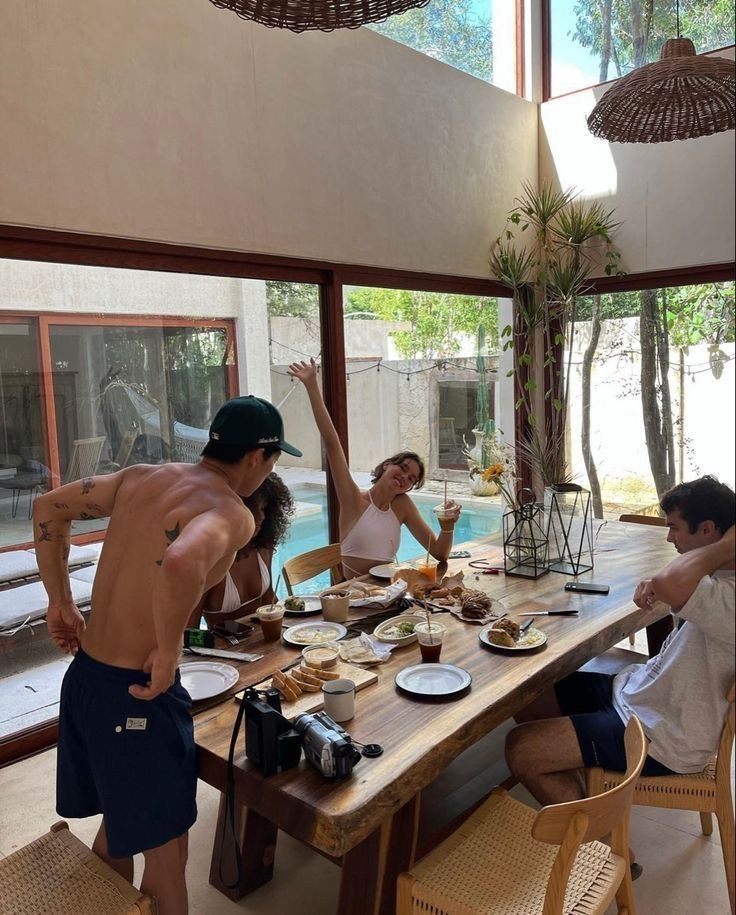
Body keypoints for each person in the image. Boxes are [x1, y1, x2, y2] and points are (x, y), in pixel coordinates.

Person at [34, 396, 301, 915]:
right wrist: (169, 646)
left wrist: (60, 602)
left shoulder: (141, 477)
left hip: (86, 679)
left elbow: (48, 508)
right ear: (258, 458)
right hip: (136, 695)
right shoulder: (233, 513)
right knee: (167, 857)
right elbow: (180, 561)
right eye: (273, 461)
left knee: (120, 828)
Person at [505, 475, 735, 866]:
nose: (669, 540)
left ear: (710, 530)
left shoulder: (728, 597)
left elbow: (673, 581)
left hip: (663, 735)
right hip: (640, 695)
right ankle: (587, 796)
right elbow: (673, 582)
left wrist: (728, 543)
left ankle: (611, 850)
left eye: (674, 528)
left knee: (521, 748)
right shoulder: (720, 578)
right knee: (532, 689)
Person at [287, 358, 462, 577]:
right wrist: (312, 386)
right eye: (403, 468)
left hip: (391, 594)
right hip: (355, 597)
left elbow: (439, 553)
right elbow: (332, 444)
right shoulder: (353, 500)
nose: (404, 477)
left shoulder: (403, 506)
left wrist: (448, 525)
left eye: (411, 479)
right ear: (387, 465)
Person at [192, 472, 294, 626]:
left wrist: (294, 625)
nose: (261, 517)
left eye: (264, 509)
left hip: (265, 643)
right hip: (223, 649)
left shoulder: (263, 546)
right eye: (253, 509)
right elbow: (188, 631)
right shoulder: (211, 561)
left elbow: (268, 600)